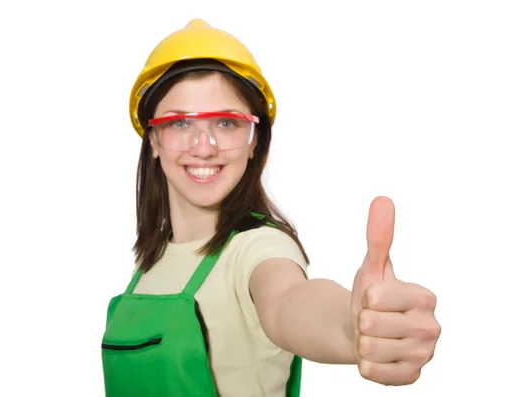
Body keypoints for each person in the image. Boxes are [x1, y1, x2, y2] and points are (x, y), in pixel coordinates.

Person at [100, 18, 441, 397]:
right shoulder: (151, 262)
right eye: (180, 123)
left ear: (253, 141)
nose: (203, 146)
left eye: (227, 123)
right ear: (153, 140)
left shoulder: (259, 250)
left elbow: (288, 303)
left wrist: (352, 326)